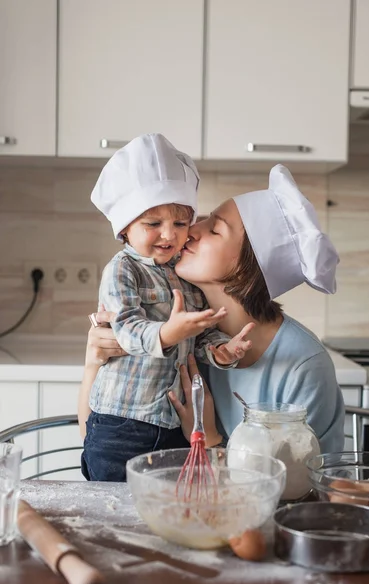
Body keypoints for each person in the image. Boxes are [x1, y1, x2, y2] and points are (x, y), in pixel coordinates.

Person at [80, 163, 345, 460]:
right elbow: (95, 442)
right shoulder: (175, 329)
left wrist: (210, 438)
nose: (191, 231)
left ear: (251, 266)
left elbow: (305, 489)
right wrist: (94, 362)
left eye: (215, 229)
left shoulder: (304, 365)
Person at [81, 133, 253, 482]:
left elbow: (196, 337)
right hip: (120, 426)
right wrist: (166, 332)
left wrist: (220, 348)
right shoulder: (122, 269)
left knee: (164, 516)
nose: (169, 235)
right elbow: (126, 328)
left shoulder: (182, 273)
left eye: (179, 223)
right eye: (153, 224)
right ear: (125, 228)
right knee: (116, 517)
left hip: (171, 424)